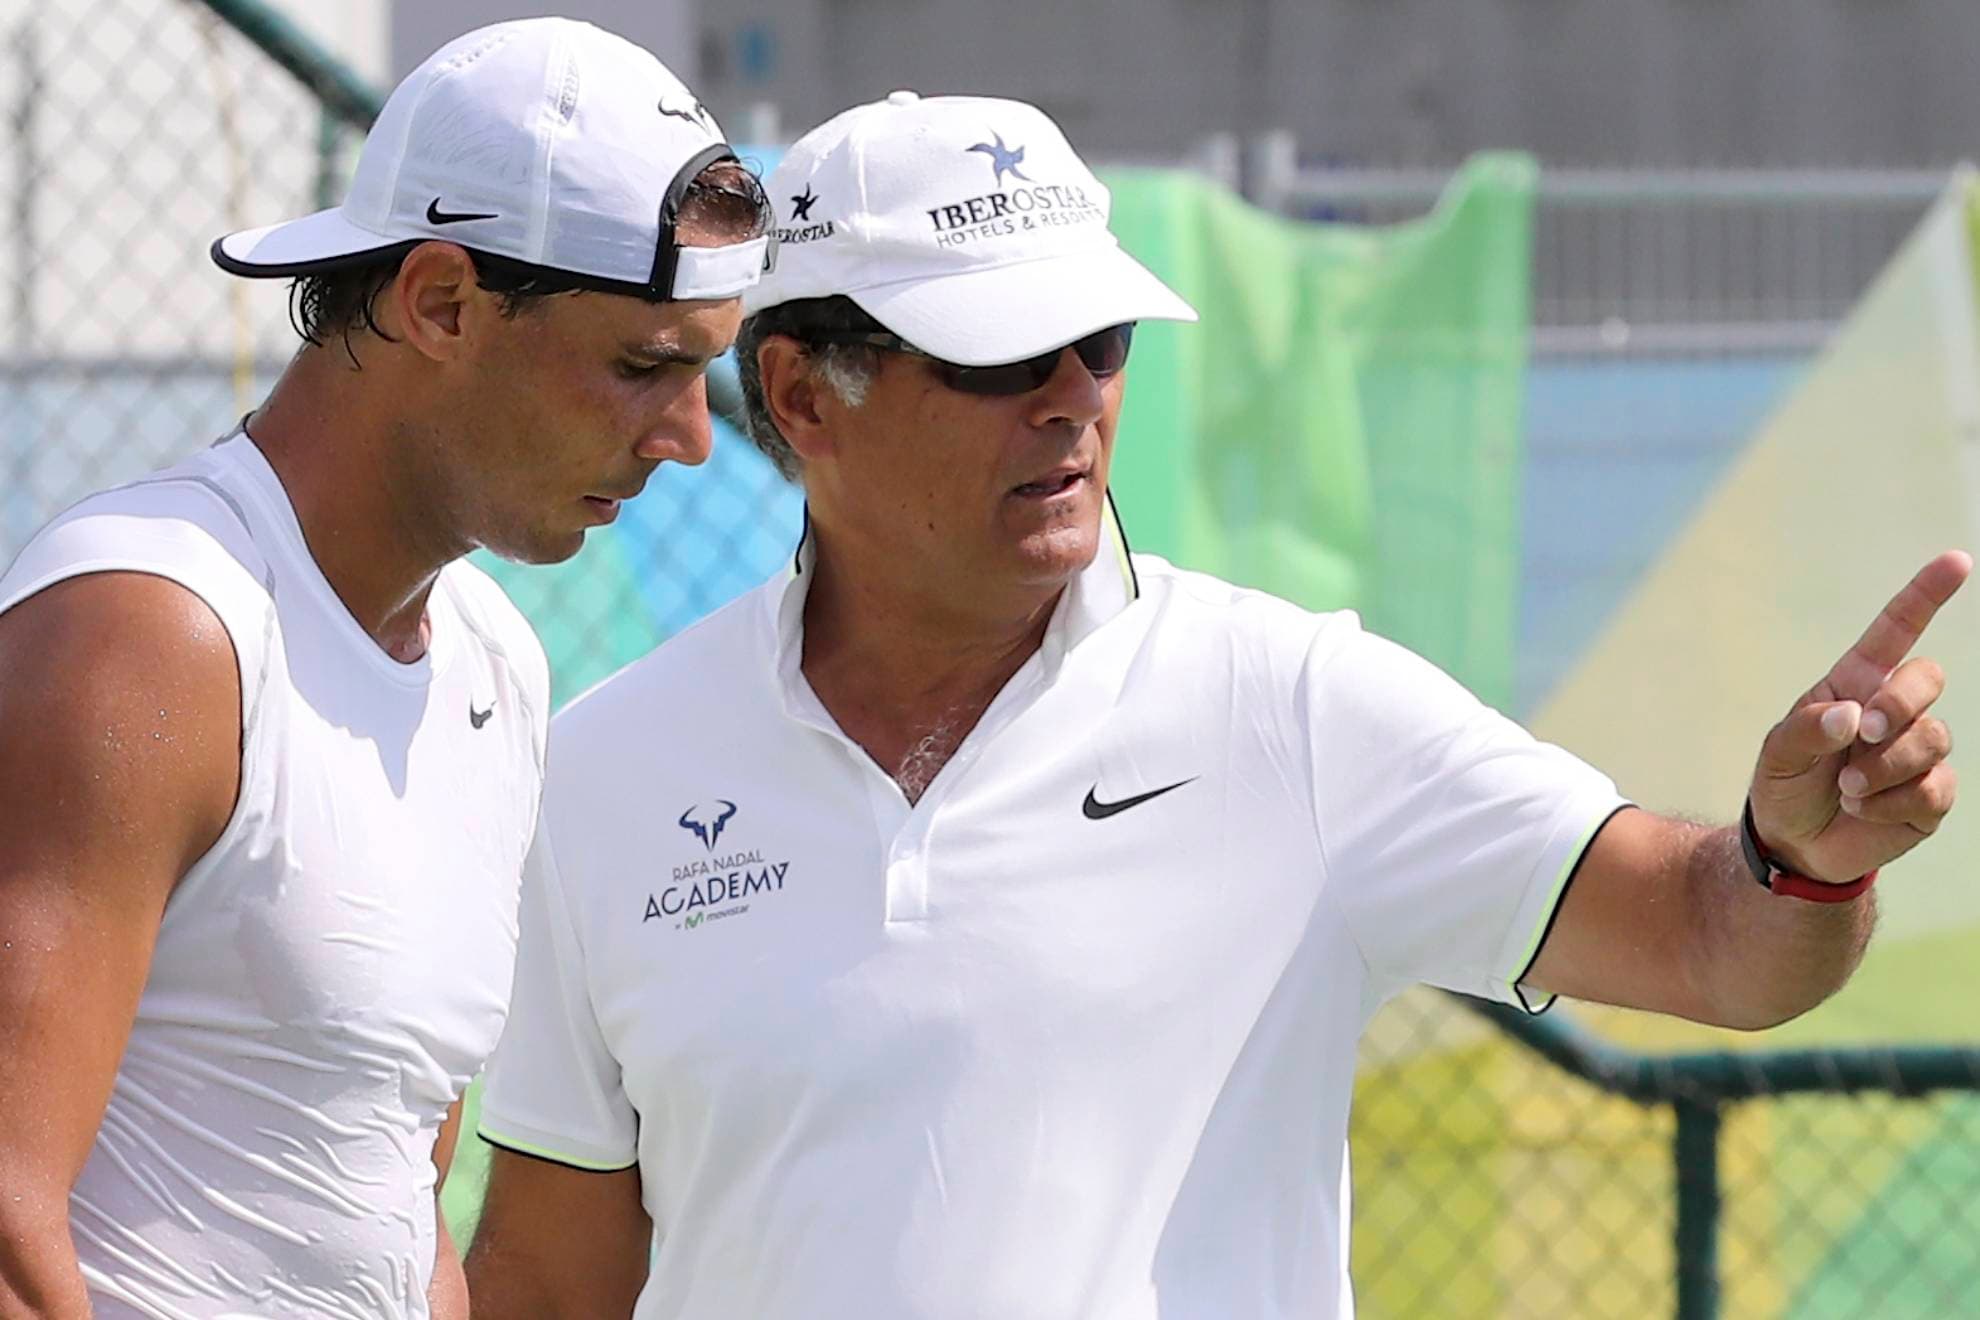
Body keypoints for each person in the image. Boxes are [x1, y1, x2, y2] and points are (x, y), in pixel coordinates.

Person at [461, 91, 1962, 1319]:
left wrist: (1801, 855)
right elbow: (547, 1283)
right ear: (798, 396)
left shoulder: (1292, 705)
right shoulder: (604, 772)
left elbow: (1719, 945)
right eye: (1000, 354)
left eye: (1102, 341)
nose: (1075, 395)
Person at [0, 18, 770, 1319]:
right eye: (645, 366)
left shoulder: (496, 666)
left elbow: (396, 1211)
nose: (693, 439)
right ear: (439, 303)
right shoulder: (151, 630)